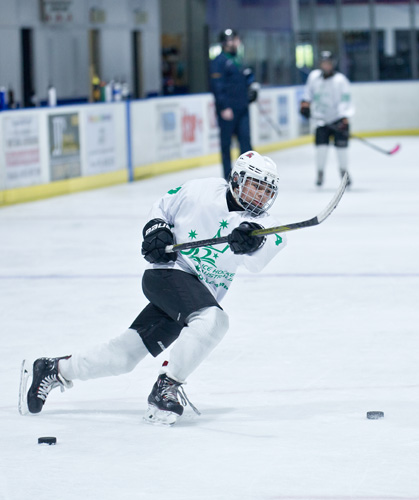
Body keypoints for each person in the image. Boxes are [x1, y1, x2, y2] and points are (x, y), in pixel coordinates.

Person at [21, 151, 286, 425]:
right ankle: (167, 385)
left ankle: (54, 369)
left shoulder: (267, 226)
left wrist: (253, 240)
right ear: (236, 179)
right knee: (214, 319)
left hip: (192, 296)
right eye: (256, 185)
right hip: (167, 274)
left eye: (267, 190)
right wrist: (155, 229)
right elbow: (162, 207)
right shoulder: (201, 191)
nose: (261, 196)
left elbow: (258, 259)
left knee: (123, 357)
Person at [300, 50, 355, 187]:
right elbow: (308, 93)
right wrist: (305, 104)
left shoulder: (340, 80)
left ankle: (344, 173)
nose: (326, 66)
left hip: (338, 120)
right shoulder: (314, 77)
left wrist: (344, 118)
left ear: (333, 64)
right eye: (323, 63)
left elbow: (346, 100)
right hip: (321, 120)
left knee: (341, 149)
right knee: (321, 149)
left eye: (328, 63)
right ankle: (320, 173)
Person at [210, 29, 259, 180]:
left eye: (235, 39)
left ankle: (247, 176)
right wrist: (224, 107)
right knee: (226, 145)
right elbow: (217, 86)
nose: (234, 42)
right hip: (228, 110)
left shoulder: (238, 60)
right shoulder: (219, 61)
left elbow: (246, 78)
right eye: (231, 40)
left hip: (242, 108)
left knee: (246, 144)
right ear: (224, 43)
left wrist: (252, 88)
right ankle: (227, 178)